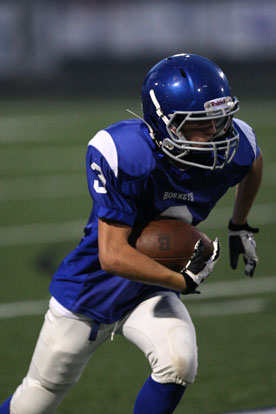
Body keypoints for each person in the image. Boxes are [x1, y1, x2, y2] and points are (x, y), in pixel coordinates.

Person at [0, 53, 263, 414]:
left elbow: (253, 161)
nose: (215, 133)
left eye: (220, 120)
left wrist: (239, 224)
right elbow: (112, 255)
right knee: (38, 396)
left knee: (179, 362)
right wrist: (181, 281)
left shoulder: (235, 145)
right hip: (90, 289)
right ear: (164, 124)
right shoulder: (126, 153)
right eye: (200, 124)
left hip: (149, 288)